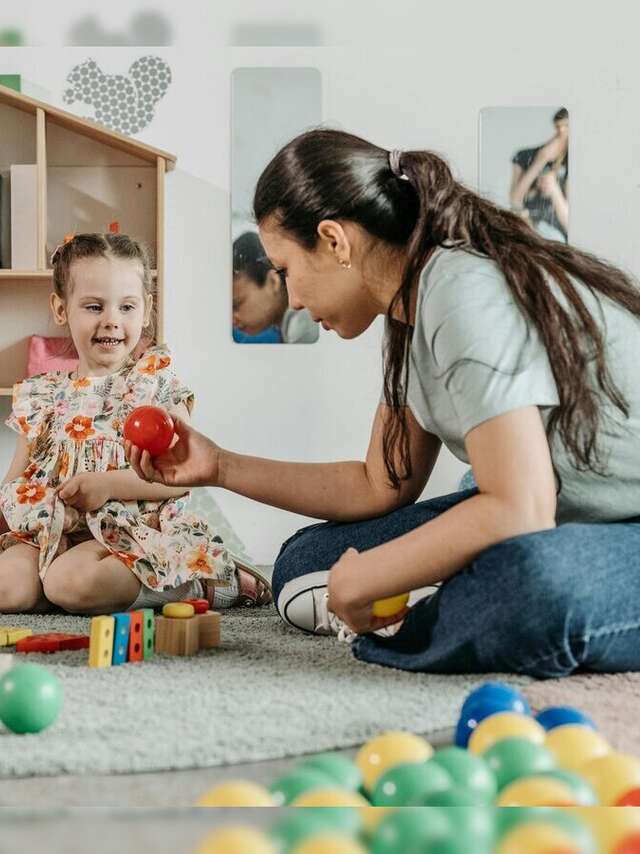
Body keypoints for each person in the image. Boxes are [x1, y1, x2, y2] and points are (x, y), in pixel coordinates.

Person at [127, 128, 640, 678]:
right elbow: (380, 483)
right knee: (305, 561)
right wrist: (219, 466)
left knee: (528, 586)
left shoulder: (463, 292)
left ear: (334, 240)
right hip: (567, 514)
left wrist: (378, 574)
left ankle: (456, 594)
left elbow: (519, 506)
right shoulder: (410, 311)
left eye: (286, 270)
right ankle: (451, 592)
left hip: (597, 520)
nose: (292, 298)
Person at [0, 233, 269, 615]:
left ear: (146, 310)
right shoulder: (39, 395)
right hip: (50, 531)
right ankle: (57, 586)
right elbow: (15, 482)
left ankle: (198, 579)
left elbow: (183, 477)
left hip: (130, 528)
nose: (111, 320)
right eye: (94, 306)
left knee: (70, 583)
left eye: (126, 307)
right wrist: (30, 507)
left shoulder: (154, 381)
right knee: (7, 588)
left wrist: (105, 485)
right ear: (61, 309)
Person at [232, 231, 318, 343]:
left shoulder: (304, 326)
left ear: (273, 282)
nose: (232, 320)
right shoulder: (290, 327)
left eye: (237, 304)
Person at [509, 107, 569, 242]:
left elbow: (569, 223)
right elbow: (515, 200)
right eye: (559, 127)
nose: (562, 131)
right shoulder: (525, 155)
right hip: (528, 229)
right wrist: (540, 161)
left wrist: (554, 190)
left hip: (558, 238)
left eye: (566, 126)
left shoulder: (575, 162)